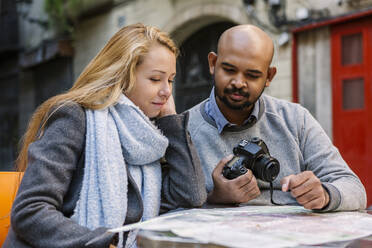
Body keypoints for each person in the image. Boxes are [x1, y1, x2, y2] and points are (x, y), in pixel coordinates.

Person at [3, 23, 206, 248]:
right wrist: (102, 243)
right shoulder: (75, 117)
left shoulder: (149, 136)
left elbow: (190, 196)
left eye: (170, 80)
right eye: (155, 79)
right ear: (123, 75)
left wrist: (171, 122)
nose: (167, 91)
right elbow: (30, 211)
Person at [186, 24, 366, 211]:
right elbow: (165, 209)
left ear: (269, 76)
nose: (238, 83)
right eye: (229, 70)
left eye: (252, 75)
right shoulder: (184, 130)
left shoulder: (296, 120)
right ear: (213, 64)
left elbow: (354, 188)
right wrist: (215, 199)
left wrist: (324, 195)